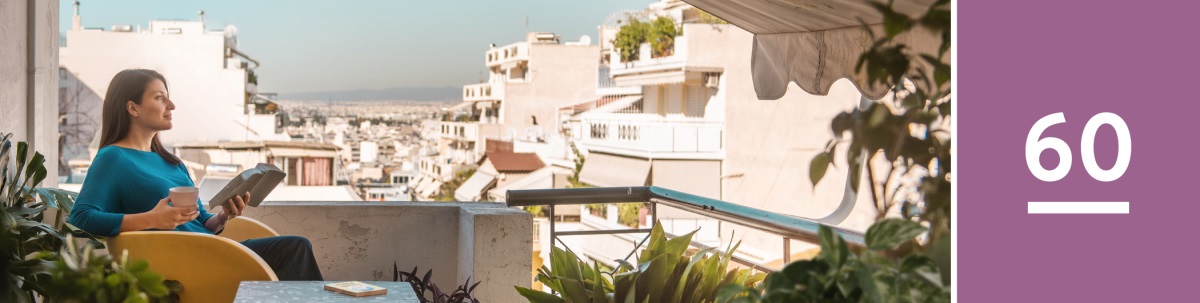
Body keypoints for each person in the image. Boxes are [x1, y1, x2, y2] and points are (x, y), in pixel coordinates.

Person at [68, 69, 323, 281]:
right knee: (295, 248)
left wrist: (223, 216)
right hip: (184, 264)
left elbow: (201, 221)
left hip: (209, 250)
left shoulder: (172, 162)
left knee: (297, 248)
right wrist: (151, 219)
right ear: (132, 108)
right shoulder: (113, 158)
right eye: (160, 98)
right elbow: (80, 219)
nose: (171, 105)